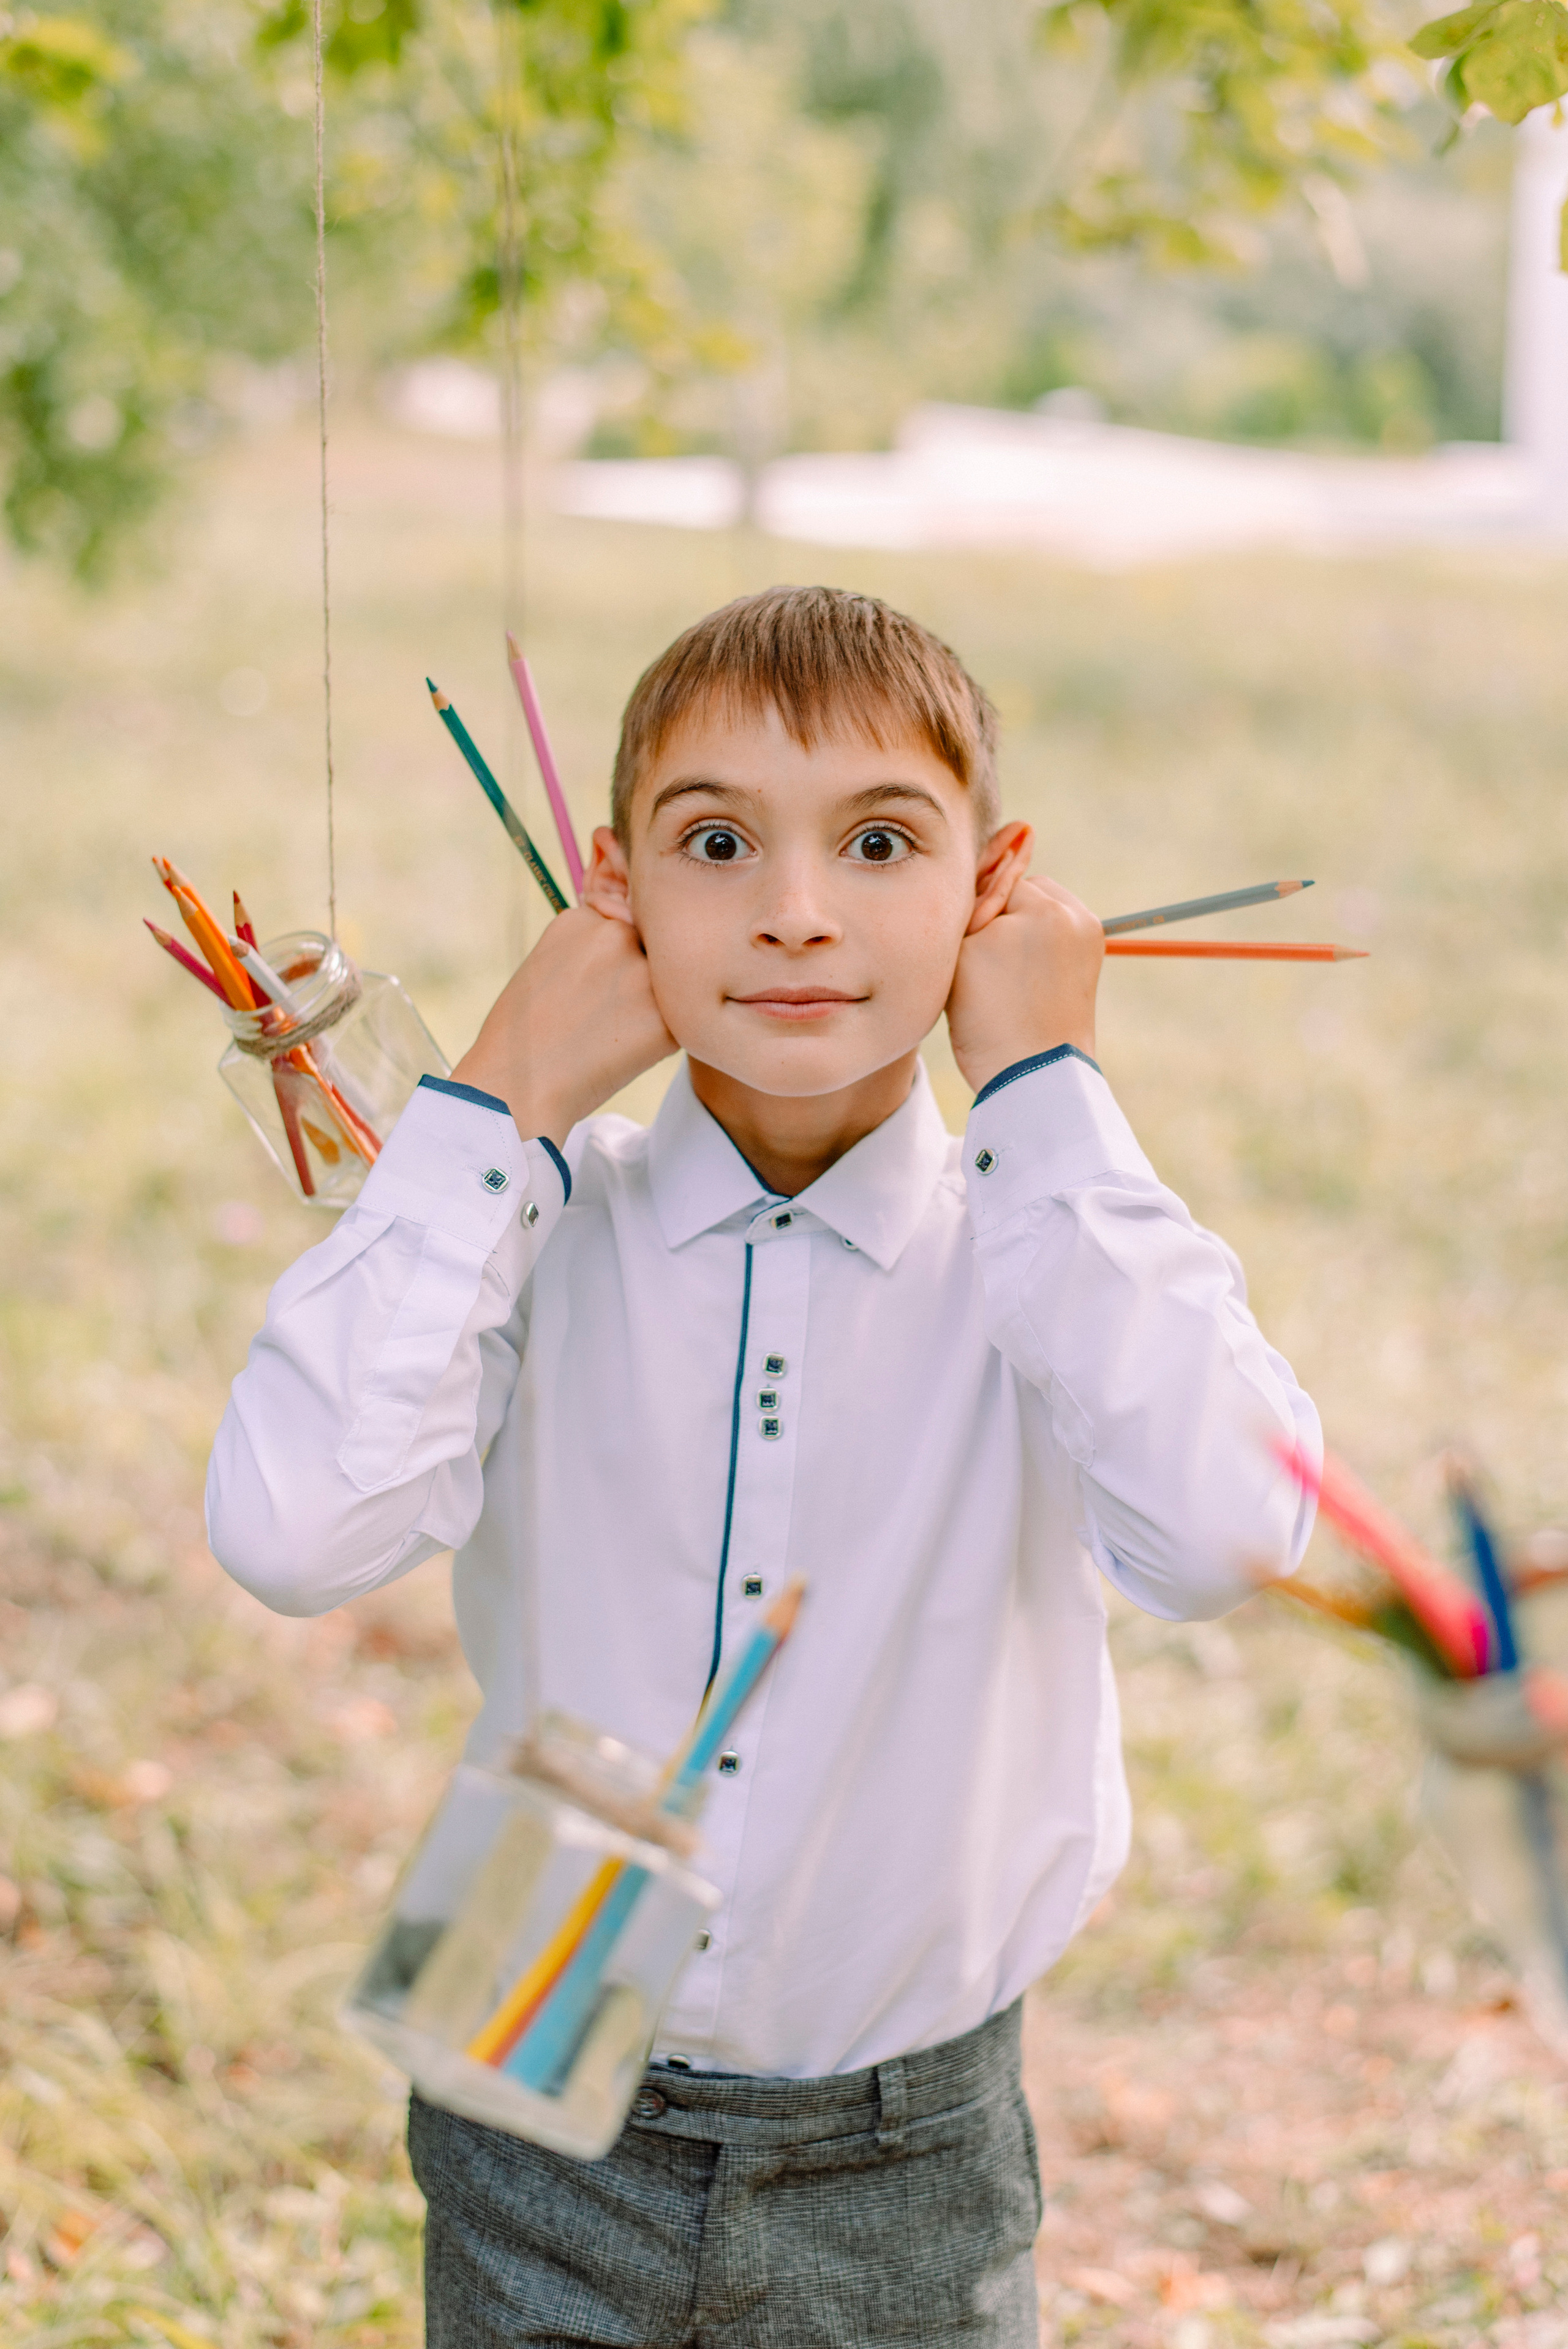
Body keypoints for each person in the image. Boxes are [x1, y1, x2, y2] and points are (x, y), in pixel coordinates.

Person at [207, 584, 1319, 2347]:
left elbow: (1229, 1533)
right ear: (616, 884)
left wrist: (1043, 1078)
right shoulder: (529, 1221)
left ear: (996, 882)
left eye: (882, 841)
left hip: (906, 2136)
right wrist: (493, 1098)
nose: (798, 915)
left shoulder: (1036, 1243)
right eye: (717, 840)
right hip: (528, 2036)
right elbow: (290, 1527)